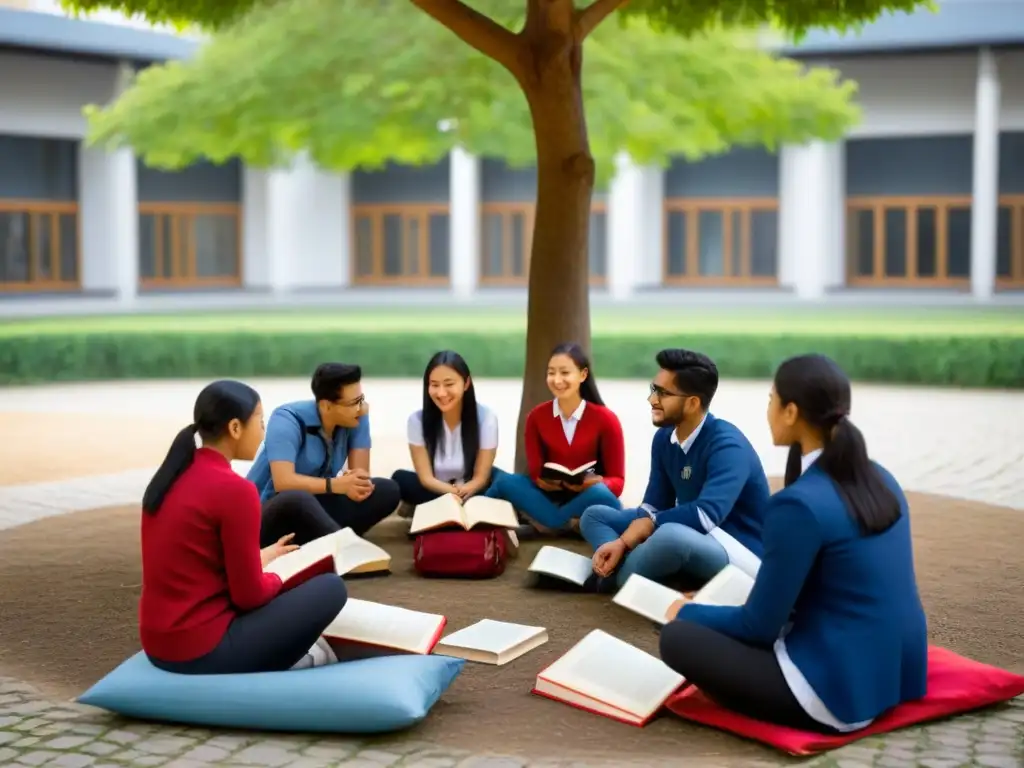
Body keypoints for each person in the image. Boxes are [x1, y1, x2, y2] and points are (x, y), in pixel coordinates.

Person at [659, 354, 928, 733]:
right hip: (893, 675)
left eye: (771, 399)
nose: (767, 408)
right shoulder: (881, 477)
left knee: (677, 638)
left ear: (790, 412)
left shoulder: (797, 504)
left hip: (834, 691)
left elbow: (758, 628)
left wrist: (685, 611)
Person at [139, 380, 348, 675]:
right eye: (260, 422)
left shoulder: (172, 476)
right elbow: (248, 597)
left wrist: (260, 557)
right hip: (200, 649)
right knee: (331, 588)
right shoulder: (236, 491)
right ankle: (293, 660)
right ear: (235, 428)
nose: (264, 432)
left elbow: (198, 563)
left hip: (158, 646)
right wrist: (278, 579)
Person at [580, 349, 769, 590]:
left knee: (668, 537)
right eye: (653, 389)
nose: (652, 400)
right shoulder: (664, 438)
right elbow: (654, 504)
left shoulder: (727, 445)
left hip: (736, 548)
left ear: (692, 403)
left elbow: (706, 515)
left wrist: (636, 534)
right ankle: (617, 566)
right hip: (692, 532)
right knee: (595, 515)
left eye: (663, 393)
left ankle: (614, 579)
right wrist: (627, 538)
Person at [247, 363, 401, 545]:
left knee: (386, 490)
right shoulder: (287, 419)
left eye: (362, 399)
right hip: (270, 511)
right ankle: (342, 547)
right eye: (355, 403)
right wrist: (336, 484)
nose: (363, 408)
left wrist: (355, 481)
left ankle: (324, 538)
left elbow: (360, 479)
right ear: (326, 406)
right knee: (297, 498)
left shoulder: (357, 416)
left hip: (317, 503)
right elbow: (283, 482)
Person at [486, 342, 624, 536]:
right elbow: (535, 473)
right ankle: (565, 525)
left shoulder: (606, 419)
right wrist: (543, 481)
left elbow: (618, 481)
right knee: (504, 481)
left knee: (604, 495)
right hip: (547, 499)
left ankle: (548, 525)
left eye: (565, 373)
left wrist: (597, 481)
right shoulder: (536, 417)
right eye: (551, 373)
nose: (557, 380)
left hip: (586, 497)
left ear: (583, 375)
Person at [391, 350, 499, 516]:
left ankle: (430, 509)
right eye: (434, 385)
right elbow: (426, 478)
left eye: (449, 384)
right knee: (400, 479)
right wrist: (452, 493)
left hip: (471, 490)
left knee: (500, 485)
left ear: (466, 383)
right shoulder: (417, 421)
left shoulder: (486, 418)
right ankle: (441, 508)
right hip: (437, 489)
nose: (441, 393)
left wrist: (465, 490)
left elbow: (480, 478)